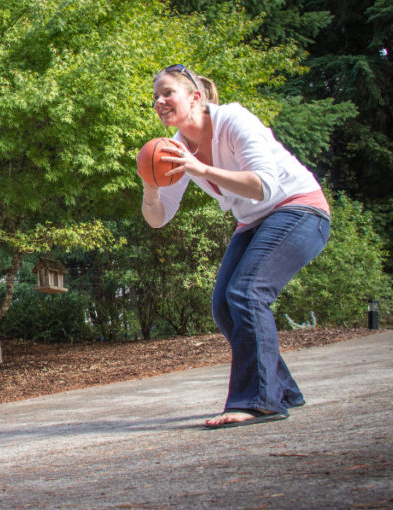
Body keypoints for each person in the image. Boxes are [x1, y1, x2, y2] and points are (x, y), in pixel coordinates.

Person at [140, 64, 330, 429]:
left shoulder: (233, 120)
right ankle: (282, 390)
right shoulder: (173, 148)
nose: (159, 102)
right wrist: (151, 185)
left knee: (246, 291)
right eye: (155, 98)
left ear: (195, 97)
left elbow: (264, 187)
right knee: (224, 308)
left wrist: (201, 169)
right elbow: (158, 217)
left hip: (300, 209)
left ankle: (258, 402)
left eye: (167, 93)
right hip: (254, 222)